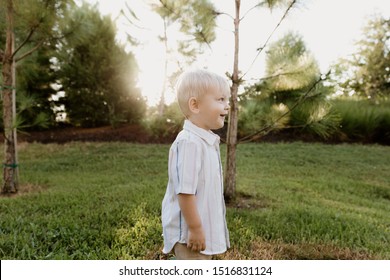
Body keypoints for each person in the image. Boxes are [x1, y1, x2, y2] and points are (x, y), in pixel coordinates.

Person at [161, 69, 231, 260]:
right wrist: (195, 228)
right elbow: (184, 191)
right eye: (220, 100)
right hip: (189, 235)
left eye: (227, 100)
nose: (227, 106)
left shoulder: (205, 141)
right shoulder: (189, 143)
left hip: (200, 229)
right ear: (195, 105)